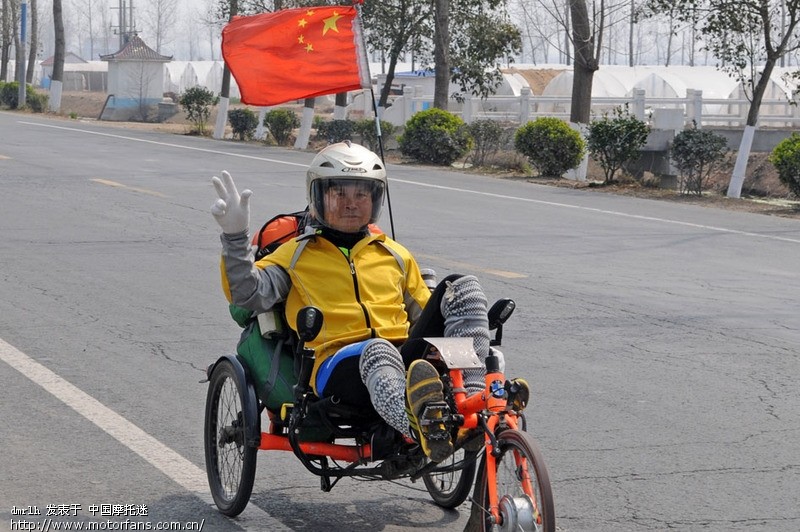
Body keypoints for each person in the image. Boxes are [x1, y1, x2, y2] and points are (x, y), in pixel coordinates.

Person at [211, 141, 493, 462]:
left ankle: (472, 401)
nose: (351, 204)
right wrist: (235, 238)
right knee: (378, 350)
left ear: (375, 199)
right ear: (317, 197)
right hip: (336, 369)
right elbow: (248, 293)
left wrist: (458, 335)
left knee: (462, 287)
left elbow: (427, 312)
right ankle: (421, 430)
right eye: (339, 194)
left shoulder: (395, 255)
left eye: (361, 194)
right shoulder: (293, 256)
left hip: (402, 356)